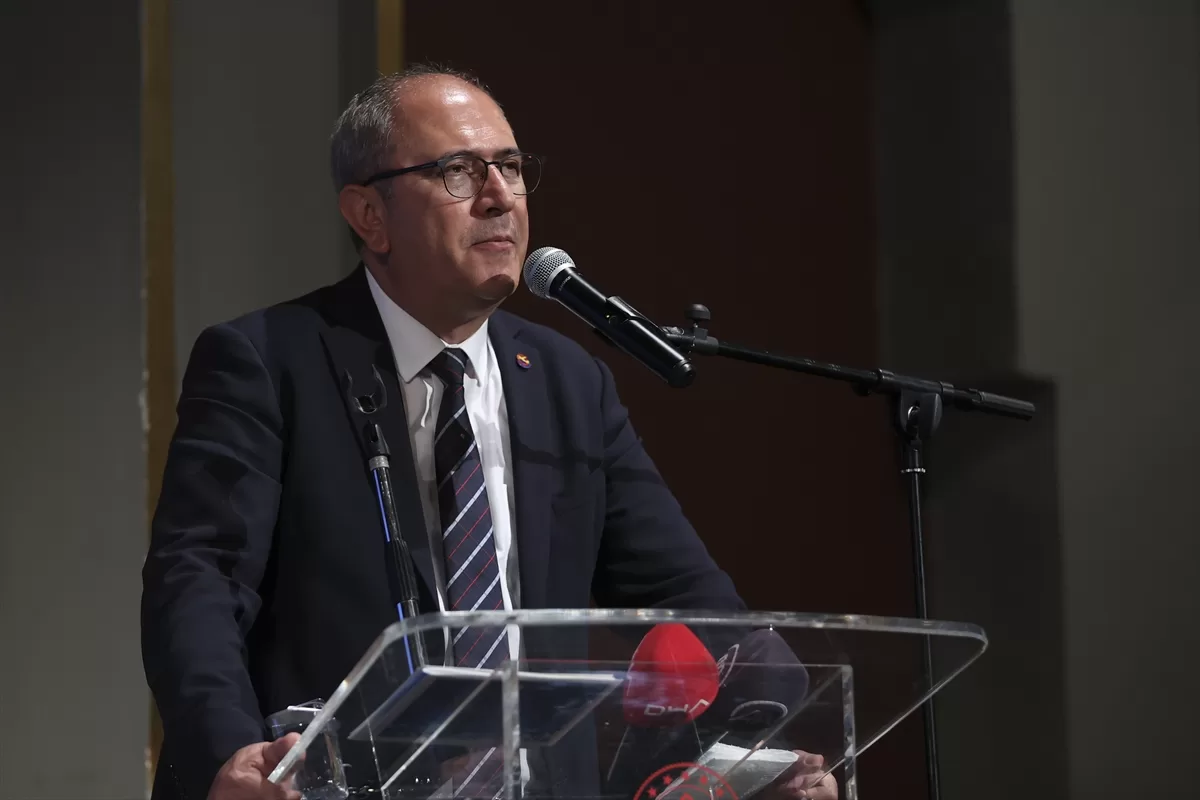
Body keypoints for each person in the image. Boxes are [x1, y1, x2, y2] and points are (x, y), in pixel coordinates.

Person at [141, 64, 836, 800]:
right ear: (369, 215)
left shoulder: (569, 382)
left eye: (510, 166)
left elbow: (690, 605)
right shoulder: (269, 361)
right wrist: (230, 754)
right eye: (458, 171)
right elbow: (200, 581)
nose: (500, 196)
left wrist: (768, 751)